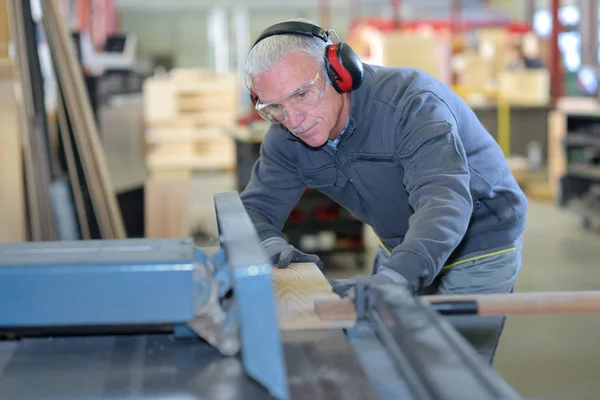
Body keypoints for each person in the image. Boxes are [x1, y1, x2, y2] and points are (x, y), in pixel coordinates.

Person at [239, 19, 528, 365]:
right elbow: (255, 208)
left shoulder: (412, 105)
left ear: (339, 72)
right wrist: (269, 244)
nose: (294, 118)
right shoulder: (287, 135)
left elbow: (444, 200)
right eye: (275, 107)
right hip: (401, 242)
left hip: (477, 244)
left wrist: (395, 278)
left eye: (302, 94)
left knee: (452, 372)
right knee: (384, 358)